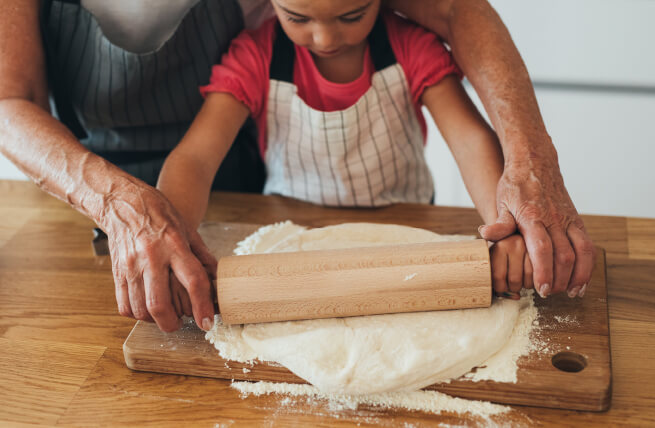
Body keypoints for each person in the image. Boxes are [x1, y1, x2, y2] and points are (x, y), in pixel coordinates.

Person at [0, 0, 594, 333]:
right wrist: (173, 243)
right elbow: (196, 158)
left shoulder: (408, 47)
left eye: (351, 15)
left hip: (402, 225)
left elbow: (468, 140)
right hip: (262, 229)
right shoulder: (256, 57)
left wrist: (505, 222)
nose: (325, 38)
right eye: (298, 17)